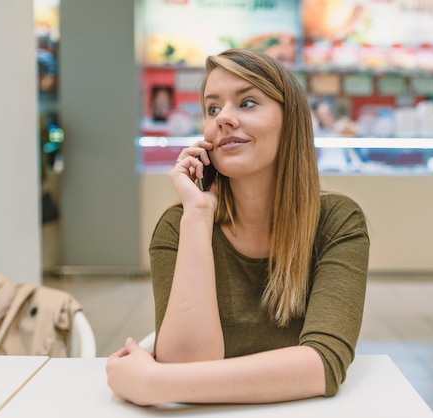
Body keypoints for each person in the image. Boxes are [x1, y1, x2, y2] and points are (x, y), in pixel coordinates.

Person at [106, 48, 370, 406]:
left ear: (290, 120)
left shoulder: (337, 222)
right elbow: (185, 363)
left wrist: (154, 384)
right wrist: (198, 213)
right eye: (212, 108)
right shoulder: (178, 226)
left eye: (247, 103)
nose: (223, 119)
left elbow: (323, 365)